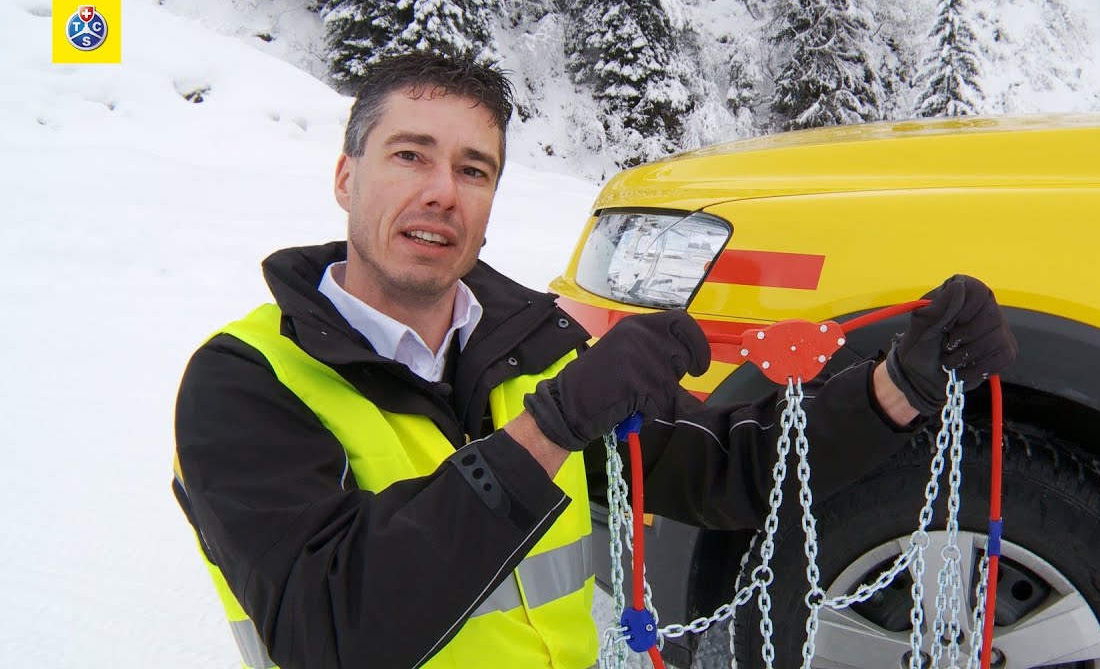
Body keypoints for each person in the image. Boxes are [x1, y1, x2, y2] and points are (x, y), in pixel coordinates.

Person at [172, 51, 1017, 669]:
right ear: (346, 176)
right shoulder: (245, 383)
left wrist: (898, 387)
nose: (441, 192)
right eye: (409, 156)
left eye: (474, 170)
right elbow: (332, 632)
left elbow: (726, 471)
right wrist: (553, 428)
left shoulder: (530, 345)